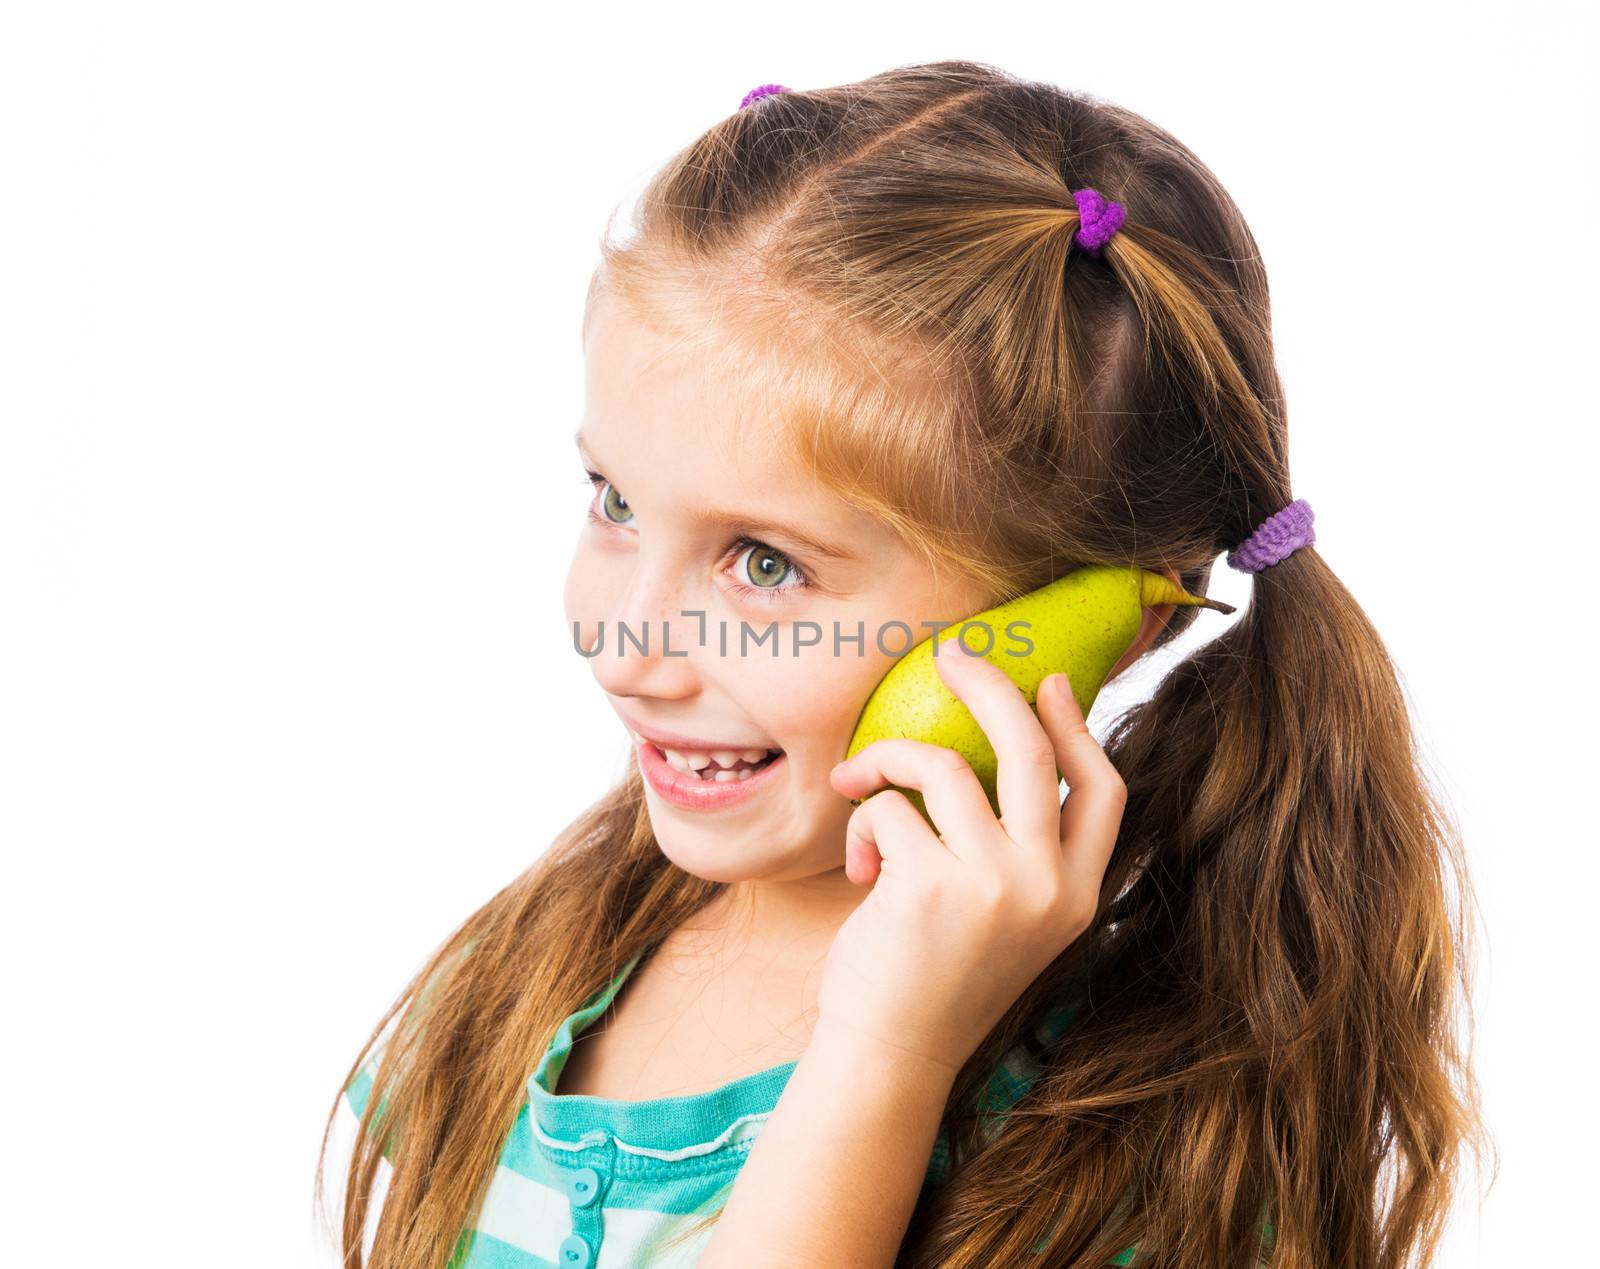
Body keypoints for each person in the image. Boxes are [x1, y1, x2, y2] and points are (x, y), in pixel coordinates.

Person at [317, 59, 1487, 1268]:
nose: (627, 644)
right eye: (613, 500)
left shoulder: (1121, 1142)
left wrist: (886, 1055)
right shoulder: (528, 969)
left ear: (1086, 625)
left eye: (765, 566)